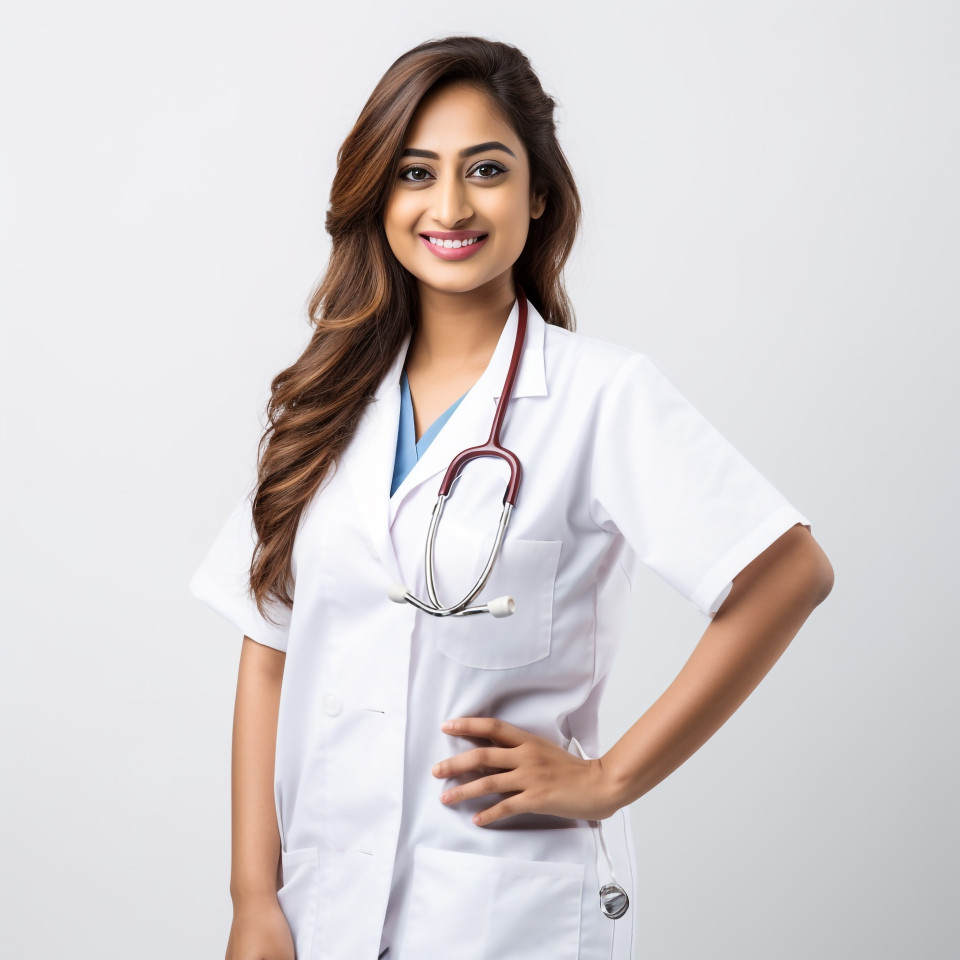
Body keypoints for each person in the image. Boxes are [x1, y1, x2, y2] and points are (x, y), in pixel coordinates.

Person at [190, 35, 834, 960]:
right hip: (321, 906)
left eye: (485, 169)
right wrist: (255, 897)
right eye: (416, 172)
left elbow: (790, 574)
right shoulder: (324, 404)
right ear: (379, 195)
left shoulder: (600, 396)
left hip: (503, 913)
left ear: (538, 194)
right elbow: (269, 652)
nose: (449, 206)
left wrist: (608, 779)